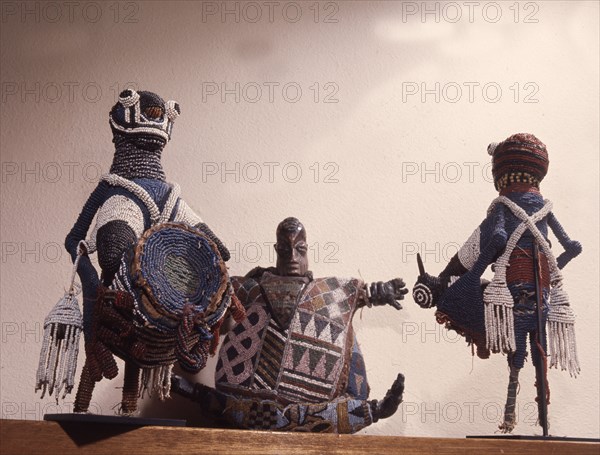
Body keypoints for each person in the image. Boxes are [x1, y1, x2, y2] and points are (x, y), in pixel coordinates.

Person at [173, 217, 407, 433]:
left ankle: (372, 410)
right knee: (235, 410)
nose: (293, 258)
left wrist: (377, 292)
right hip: (248, 409)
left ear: (307, 250)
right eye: (285, 251)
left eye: (300, 250)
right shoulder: (252, 288)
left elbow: (363, 292)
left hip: (273, 415)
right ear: (276, 250)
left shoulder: (333, 292)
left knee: (337, 407)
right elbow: (218, 301)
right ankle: (199, 394)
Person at [413, 133, 581, 432]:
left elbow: (485, 243)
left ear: (500, 175)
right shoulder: (544, 211)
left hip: (513, 297)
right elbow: (572, 247)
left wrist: (460, 276)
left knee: (518, 355)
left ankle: (510, 416)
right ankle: (542, 421)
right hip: (542, 297)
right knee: (536, 349)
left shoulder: (503, 210)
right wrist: (551, 278)